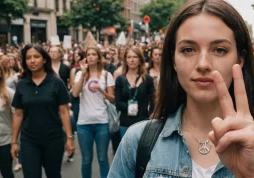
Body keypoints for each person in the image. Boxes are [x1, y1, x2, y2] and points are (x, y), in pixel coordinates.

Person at [108, 0, 254, 177]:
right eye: (188, 50)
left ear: (240, 59)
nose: (203, 64)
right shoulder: (136, 142)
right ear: (173, 60)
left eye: (219, 50)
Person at [11, 44, 74, 178]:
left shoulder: (56, 82)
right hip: (29, 140)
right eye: (28, 58)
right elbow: (18, 114)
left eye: (36, 57)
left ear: (44, 59)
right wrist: (14, 142)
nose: (32, 61)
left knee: (53, 174)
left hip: (53, 139)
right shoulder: (22, 84)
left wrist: (69, 138)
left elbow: (64, 111)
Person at [71, 46, 115, 178]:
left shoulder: (107, 75)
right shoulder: (80, 74)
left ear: (98, 58)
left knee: (102, 159)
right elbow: (74, 93)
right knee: (86, 160)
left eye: (93, 54)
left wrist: (101, 90)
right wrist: (84, 73)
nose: (90, 57)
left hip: (102, 122)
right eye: (88, 54)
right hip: (84, 123)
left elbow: (113, 99)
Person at [115, 46, 155, 138]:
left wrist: (150, 116)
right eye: (129, 57)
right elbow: (117, 103)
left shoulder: (148, 79)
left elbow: (153, 100)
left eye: (135, 57)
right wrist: (129, 107)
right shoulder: (120, 79)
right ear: (125, 60)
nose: (132, 60)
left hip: (143, 122)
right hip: (125, 123)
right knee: (127, 151)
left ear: (140, 60)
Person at [0, 59, 15, 178]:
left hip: (5, 140)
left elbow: (16, 117)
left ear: (1, 73)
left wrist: (15, 141)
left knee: (7, 173)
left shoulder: (9, 93)